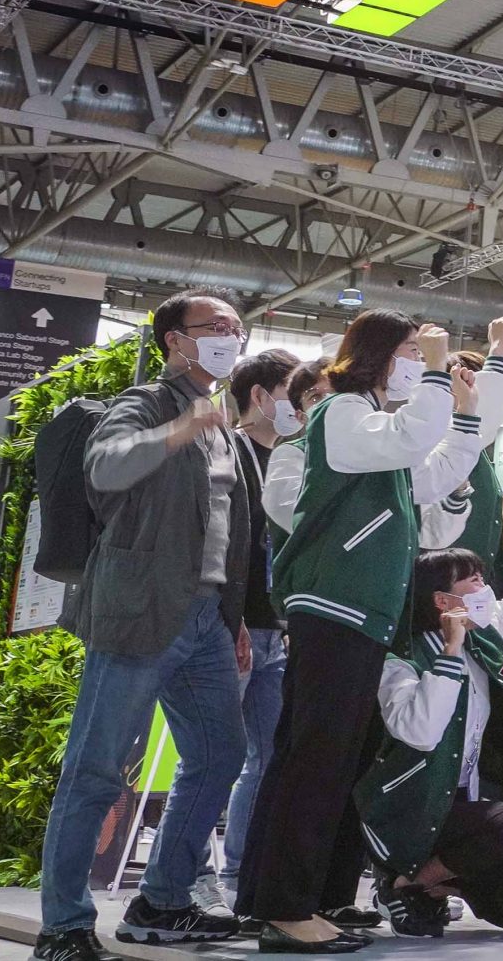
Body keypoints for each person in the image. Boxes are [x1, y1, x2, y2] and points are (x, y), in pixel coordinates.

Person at [240, 313, 473, 954]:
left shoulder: (372, 431)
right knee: (316, 760)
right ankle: (287, 909)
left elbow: (431, 472)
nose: (417, 361)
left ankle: (280, 899)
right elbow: (410, 439)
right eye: (409, 351)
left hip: (358, 611)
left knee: (318, 759)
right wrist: (436, 374)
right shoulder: (342, 413)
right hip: (335, 606)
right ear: (379, 354)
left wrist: (467, 415)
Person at [31, 295, 254, 961]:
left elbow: (227, 531)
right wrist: (178, 430)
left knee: (220, 754)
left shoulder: (220, 422)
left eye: (236, 328)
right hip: (138, 609)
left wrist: (235, 616)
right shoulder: (148, 402)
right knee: (97, 768)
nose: (229, 337)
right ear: (174, 340)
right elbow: (106, 466)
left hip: (207, 616)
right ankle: (63, 925)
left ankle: (161, 900)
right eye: (215, 328)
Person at [359, 544, 503, 938]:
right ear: (441, 601)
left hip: (467, 805)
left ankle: (428, 884)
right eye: (474, 581)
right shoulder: (401, 659)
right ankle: (403, 881)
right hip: (416, 809)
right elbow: (422, 731)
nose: (485, 590)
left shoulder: (482, 643)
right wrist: (449, 653)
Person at [205, 346, 300, 919]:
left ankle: (242, 878)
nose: (303, 407)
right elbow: (220, 541)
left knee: (265, 762)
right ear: (260, 396)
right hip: (229, 627)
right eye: (294, 394)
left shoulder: (294, 459)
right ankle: (190, 881)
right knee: (213, 758)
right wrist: (230, 614)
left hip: (277, 631)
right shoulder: (228, 452)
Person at [417, 323, 503, 590]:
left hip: (475, 588)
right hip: (438, 585)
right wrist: (498, 350)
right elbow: (484, 415)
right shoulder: (433, 443)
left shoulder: (478, 453)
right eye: (468, 385)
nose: (474, 395)